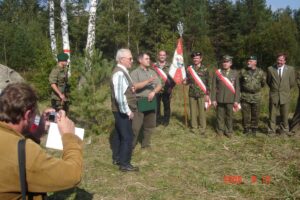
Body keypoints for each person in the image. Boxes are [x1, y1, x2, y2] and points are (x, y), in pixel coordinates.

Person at [0, 83, 82, 199]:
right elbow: (73, 174)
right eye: (35, 115)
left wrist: (35, 129)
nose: (36, 119)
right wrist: (69, 135)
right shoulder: (26, 153)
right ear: (28, 115)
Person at [110, 48, 139, 172]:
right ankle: (125, 163)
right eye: (130, 58)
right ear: (122, 59)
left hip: (119, 110)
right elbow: (120, 96)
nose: (132, 61)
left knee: (119, 134)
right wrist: (128, 112)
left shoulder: (122, 71)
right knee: (127, 136)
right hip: (122, 110)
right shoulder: (120, 73)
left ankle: (117, 157)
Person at [130, 53, 162, 149]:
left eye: (149, 58)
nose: (149, 60)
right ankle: (130, 146)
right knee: (135, 127)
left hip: (151, 101)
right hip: (140, 101)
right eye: (146, 58)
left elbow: (159, 85)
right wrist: (148, 81)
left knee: (150, 125)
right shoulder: (135, 73)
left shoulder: (152, 72)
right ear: (140, 60)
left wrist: (153, 92)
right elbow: (134, 87)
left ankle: (146, 145)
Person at [266, 53, 296, 135]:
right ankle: (271, 131)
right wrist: (274, 90)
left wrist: (284, 90)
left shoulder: (290, 69)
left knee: (285, 115)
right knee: (272, 115)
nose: (280, 62)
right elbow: (268, 82)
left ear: (285, 61)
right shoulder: (270, 69)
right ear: (276, 60)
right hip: (274, 95)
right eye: (278, 60)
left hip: (285, 95)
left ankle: (284, 131)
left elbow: (292, 83)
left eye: (282, 60)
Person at [211, 55, 240, 138]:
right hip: (219, 99)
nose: (225, 63)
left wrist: (236, 100)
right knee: (220, 116)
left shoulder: (235, 73)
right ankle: (220, 131)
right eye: (224, 62)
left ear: (231, 63)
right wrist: (213, 99)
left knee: (229, 116)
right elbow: (213, 87)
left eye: (227, 62)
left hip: (231, 99)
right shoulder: (217, 73)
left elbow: (237, 88)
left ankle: (229, 131)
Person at [185, 52, 211, 135]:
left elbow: (208, 83)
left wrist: (208, 94)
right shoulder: (189, 69)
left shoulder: (205, 69)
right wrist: (184, 81)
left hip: (202, 93)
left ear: (201, 59)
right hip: (192, 93)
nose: (195, 59)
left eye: (197, 58)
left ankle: (202, 127)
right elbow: (187, 80)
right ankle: (194, 127)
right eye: (194, 58)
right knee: (192, 111)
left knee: (201, 111)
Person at [240, 56, 266, 135]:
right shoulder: (243, 71)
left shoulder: (261, 72)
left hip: (256, 96)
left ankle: (254, 128)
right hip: (245, 96)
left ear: (255, 62)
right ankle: (246, 129)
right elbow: (239, 82)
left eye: (251, 61)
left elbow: (263, 83)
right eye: (248, 61)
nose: (248, 62)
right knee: (245, 114)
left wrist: (254, 88)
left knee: (256, 113)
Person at [153, 50, 175, 126]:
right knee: (156, 106)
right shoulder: (154, 66)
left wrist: (171, 87)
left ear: (166, 56)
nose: (162, 56)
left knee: (167, 106)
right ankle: (157, 120)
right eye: (160, 55)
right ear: (158, 56)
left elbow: (174, 78)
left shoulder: (171, 66)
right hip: (156, 89)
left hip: (167, 89)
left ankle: (166, 120)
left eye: (163, 55)